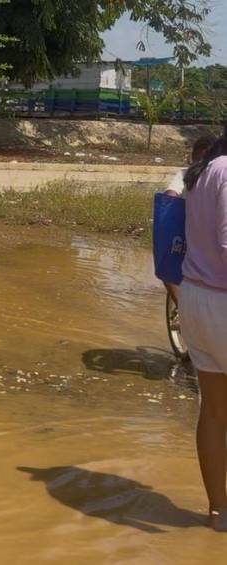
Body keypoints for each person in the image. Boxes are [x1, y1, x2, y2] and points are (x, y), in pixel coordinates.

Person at [178, 134, 227, 531]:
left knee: (213, 412)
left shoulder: (204, 170)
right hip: (222, 302)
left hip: (195, 298)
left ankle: (219, 512)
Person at [162, 134, 216, 305]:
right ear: (192, 158)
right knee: (164, 262)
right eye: (197, 160)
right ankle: (180, 306)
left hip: (210, 233)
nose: (200, 165)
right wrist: (169, 202)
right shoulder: (185, 175)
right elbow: (171, 193)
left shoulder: (218, 177)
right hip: (184, 229)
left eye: (205, 161)